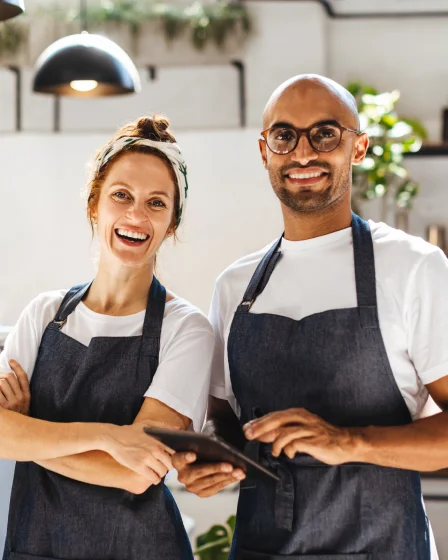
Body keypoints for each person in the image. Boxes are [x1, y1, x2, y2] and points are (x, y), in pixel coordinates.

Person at [173, 75, 448, 559]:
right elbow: (222, 418)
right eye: (284, 136)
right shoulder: (236, 287)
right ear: (265, 153)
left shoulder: (413, 268)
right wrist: (211, 458)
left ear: (358, 147)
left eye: (325, 134)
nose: (303, 153)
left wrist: (349, 441)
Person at [0, 115, 214, 560]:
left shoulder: (185, 329)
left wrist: (29, 432)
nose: (136, 215)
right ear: (94, 204)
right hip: (37, 545)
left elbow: (137, 473)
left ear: (172, 222)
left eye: (157, 203)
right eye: (122, 196)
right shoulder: (44, 314)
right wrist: (110, 438)